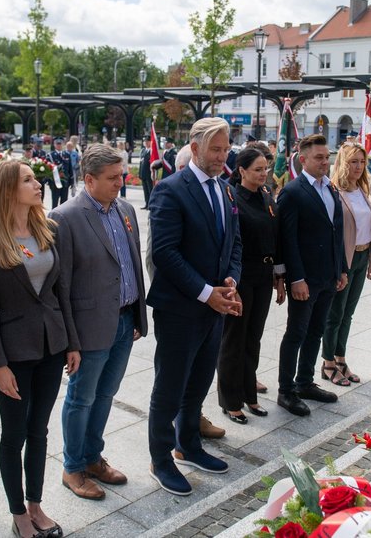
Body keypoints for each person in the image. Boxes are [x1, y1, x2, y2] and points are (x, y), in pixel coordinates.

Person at [0, 159, 79, 538]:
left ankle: (35, 505)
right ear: (7, 189)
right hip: (13, 352)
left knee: (39, 431)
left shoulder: (48, 228)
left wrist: (72, 342)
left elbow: (61, 292)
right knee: (14, 434)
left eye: (36, 178)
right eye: (28, 180)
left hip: (52, 344)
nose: (38, 184)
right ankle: (18, 513)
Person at [147, 117, 242, 496]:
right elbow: (165, 253)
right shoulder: (170, 190)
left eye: (226, 149)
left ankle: (187, 445)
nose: (222, 156)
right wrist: (206, 292)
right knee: (169, 388)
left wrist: (231, 280)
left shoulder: (226, 190)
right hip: (180, 309)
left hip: (214, 308)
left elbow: (234, 242)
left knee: (199, 382)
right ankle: (160, 459)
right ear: (196, 148)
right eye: (216, 150)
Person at [52, 144, 147, 501]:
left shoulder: (125, 210)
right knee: (81, 398)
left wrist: (136, 314)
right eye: (112, 178)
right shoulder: (65, 217)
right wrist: (70, 340)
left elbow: (132, 264)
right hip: (88, 328)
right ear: (89, 180)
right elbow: (61, 285)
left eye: (121, 176)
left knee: (106, 394)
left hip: (124, 320)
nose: (120, 183)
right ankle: (72, 467)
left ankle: (93, 457)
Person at [276, 134, 347, 417]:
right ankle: (286, 390)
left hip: (328, 276)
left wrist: (341, 268)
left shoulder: (330, 188)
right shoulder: (293, 192)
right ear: (303, 159)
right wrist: (296, 278)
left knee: (316, 331)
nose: (325, 162)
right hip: (305, 279)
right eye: (319, 157)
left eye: (327, 157)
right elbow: (287, 239)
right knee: (297, 332)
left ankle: (304, 382)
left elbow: (336, 231)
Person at [216, 147, 285, 424]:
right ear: (242, 171)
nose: (263, 174)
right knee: (234, 338)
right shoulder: (232, 198)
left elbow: (276, 236)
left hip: (263, 275)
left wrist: (279, 275)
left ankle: (249, 394)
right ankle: (230, 401)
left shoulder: (266, 195)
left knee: (253, 337)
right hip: (241, 275)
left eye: (265, 168)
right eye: (257, 169)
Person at [321, 143, 371, 387]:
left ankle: (340, 358)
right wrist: (339, 267)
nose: (359, 166)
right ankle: (328, 363)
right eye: (353, 161)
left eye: (362, 162)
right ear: (343, 163)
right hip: (345, 259)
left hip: (363, 257)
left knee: (348, 313)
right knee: (335, 313)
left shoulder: (362, 189)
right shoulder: (335, 192)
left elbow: (368, 227)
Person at [50, 137, 72, 208]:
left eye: (60, 144)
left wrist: (71, 181)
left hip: (65, 182)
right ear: (54, 144)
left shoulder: (67, 154)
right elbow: (49, 170)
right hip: (55, 183)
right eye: (57, 144)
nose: (59, 145)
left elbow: (70, 168)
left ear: (63, 144)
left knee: (64, 203)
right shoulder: (51, 155)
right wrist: (50, 182)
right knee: (55, 203)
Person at [138, 137, 154, 208]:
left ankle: (151, 204)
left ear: (150, 142)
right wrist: (140, 173)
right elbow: (141, 163)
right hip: (143, 173)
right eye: (145, 141)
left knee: (150, 190)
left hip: (149, 174)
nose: (146, 143)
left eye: (147, 141)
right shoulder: (143, 151)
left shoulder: (152, 151)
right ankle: (146, 203)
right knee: (145, 190)